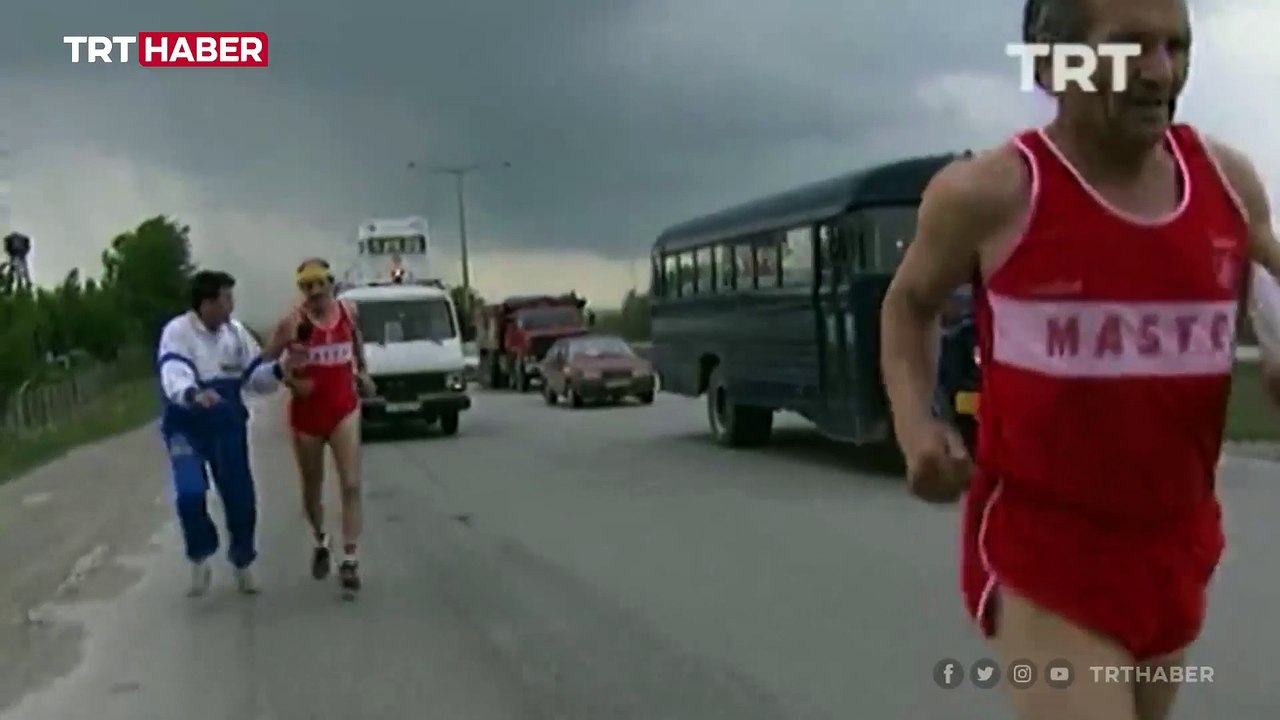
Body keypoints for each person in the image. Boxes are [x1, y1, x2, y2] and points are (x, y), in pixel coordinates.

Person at [880, 0, 1280, 718]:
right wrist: (916, 425)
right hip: (1047, 547)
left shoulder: (1230, 187)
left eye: (1175, 46)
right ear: (1050, 63)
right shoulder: (990, 193)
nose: (1161, 72)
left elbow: (1275, 329)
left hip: (1178, 542)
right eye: (1130, 47)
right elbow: (910, 305)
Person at [157, 270, 286, 596]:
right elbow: (172, 370)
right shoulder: (178, 332)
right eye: (226, 298)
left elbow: (256, 378)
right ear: (206, 303)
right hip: (186, 425)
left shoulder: (236, 334)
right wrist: (191, 394)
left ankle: (243, 562)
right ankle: (200, 555)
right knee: (189, 493)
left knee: (240, 496)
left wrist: (282, 369)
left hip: (227, 425)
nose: (231, 306)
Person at [265, 258, 375, 593]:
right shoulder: (292, 323)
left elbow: (356, 344)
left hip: (343, 408)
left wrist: (363, 372)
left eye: (319, 284)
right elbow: (267, 362)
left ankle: (351, 559)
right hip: (307, 415)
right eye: (306, 286)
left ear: (330, 283)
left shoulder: (348, 312)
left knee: (351, 484)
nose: (314, 292)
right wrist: (291, 382)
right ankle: (321, 540)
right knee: (312, 487)